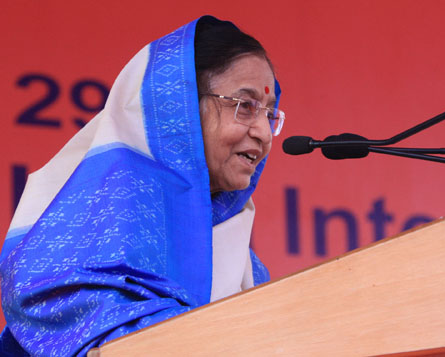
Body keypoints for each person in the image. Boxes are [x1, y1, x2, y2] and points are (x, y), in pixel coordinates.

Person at [0, 15, 284, 356]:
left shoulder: (247, 265)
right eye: (245, 106)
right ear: (180, 108)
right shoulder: (86, 228)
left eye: (269, 113)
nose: (264, 134)